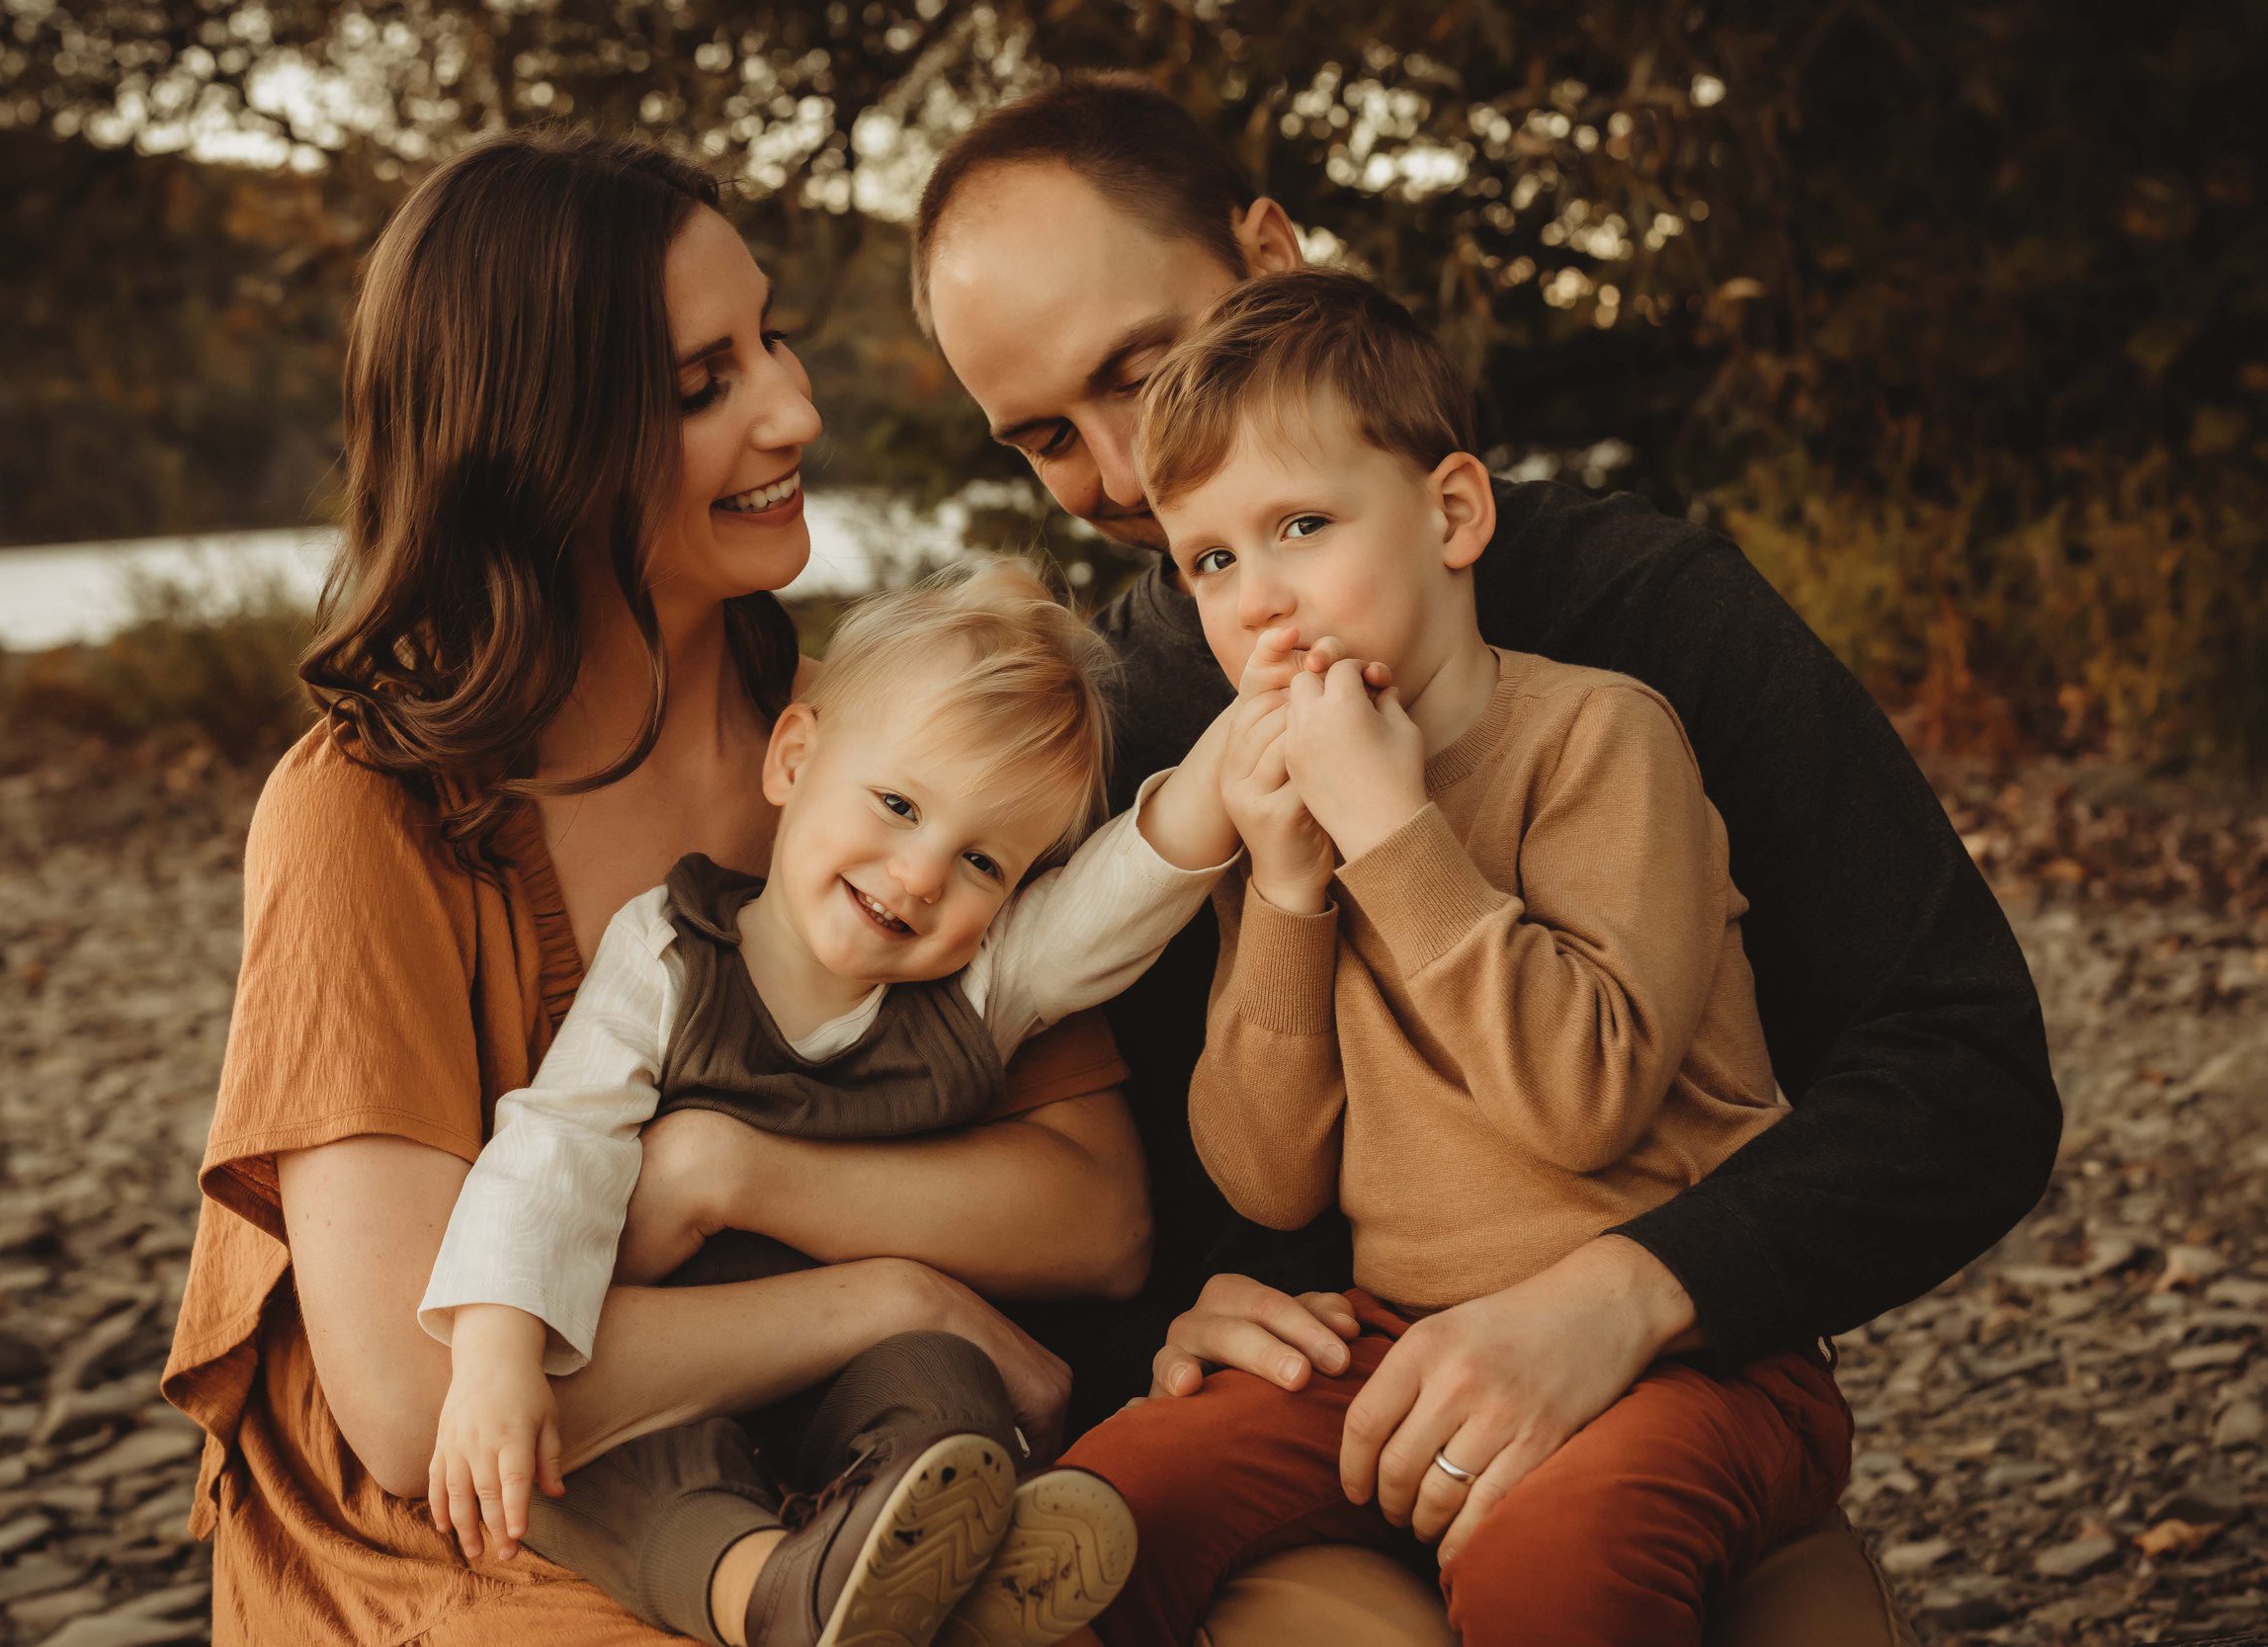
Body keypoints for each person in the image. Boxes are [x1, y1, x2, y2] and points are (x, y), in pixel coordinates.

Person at [909, 74, 2057, 1643]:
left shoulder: (1640, 635)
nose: (1118, 471)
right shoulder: (1132, 716)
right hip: (1340, 1379)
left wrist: (1635, 1287)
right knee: (1104, 1531)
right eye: (1045, 436)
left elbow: (1964, 1068)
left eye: (1142, 369)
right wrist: (1201, 1290)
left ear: (1273, 250)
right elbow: (1166, 1123)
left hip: (1661, 1347)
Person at [161, 127, 1156, 1645]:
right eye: (706, 384)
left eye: (776, 342)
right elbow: (423, 1401)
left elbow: (1091, 1214)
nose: (795, 408)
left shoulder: (880, 774)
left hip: (835, 1458)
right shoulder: (365, 815)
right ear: (537, 440)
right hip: (480, 1515)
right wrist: (892, 1289)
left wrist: (735, 1178)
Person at [1053, 268, 1854, 1646]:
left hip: (1690, 1351)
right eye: (1211, 561)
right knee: (1109, 1503)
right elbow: (1269, 1167)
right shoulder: (1294, 807)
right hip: (1396, 1332)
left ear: (1454, 513)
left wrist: (1389, 826)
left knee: (1553, 1561)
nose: (1255, 597)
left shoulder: (1601, 738)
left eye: (1301, 524)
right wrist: (1293, 889)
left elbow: (1584, 1097)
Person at [420, 562, 1252, 1647]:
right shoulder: (670, 954)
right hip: (694, 1375)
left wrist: (1246, 740)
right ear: (794, 756)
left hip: (859, 1388)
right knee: (593, 1466)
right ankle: (789, 1591)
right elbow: (557, 1135)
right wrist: (493, 1349)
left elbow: (1124, 886)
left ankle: (938, 1562)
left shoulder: (975, 991)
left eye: (981, 862)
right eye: (899, 805)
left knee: (945, 1389)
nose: (916, 875)